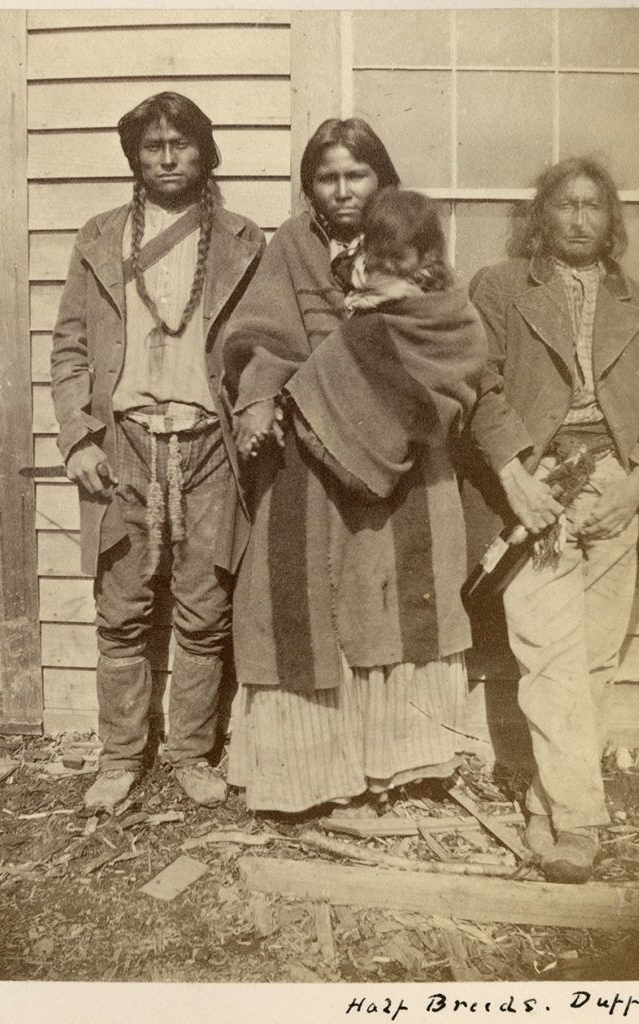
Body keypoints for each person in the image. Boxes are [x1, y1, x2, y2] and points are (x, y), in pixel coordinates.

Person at [221, 125, 487, 816]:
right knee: (304, 605)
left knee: (394, 603)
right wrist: (255, 401)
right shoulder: (291, 248)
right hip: (310, 457)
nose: (341, 189)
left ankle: (397, 764)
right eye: (326, 176)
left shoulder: (411, 241)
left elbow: (448, 344)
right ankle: (309, 771)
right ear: (309, 186)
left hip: (405, 465)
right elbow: (263, 341)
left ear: (381, 180)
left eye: (356, 175)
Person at [468, 157, 639, 882]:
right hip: (539, 489)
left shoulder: (637, 302)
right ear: (542, 216)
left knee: (590, 659)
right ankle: (582, 824)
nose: (580, 219)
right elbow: (478, 390)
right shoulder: (500, 289)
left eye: (594, 206)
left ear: (610, 219)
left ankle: (542, 801)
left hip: (614, 488)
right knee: (550, 657)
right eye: (565, 205)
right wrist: (517, 475)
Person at [50, 92, 265, 811]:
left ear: (206, 152)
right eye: (152, 146)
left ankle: (192, 754)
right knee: (121, 610)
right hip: (125, 445)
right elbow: (71, 346)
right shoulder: (99, 236)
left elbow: (268, 347)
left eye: (181, 144)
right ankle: (119, 759)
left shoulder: (240, 239)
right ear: (134, 158)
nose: (168, 157)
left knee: (205, 609)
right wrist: (78, 436)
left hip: (210, 447)